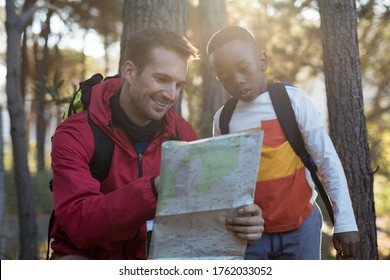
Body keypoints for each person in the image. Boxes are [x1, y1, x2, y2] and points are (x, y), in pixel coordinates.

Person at [49, 27, 264, 260]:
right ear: (130, 72)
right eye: (162, 79)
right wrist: (155, 189)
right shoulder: (75, 134)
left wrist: (243, 227)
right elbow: (79, 225)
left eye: (178, 85)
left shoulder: (183, 134)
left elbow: (204, 220)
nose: (171, 95)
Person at [207, 26, 359, 260]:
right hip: (251, 238)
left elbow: (326, 158)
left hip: (301, 228)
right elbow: (227, 182)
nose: (237, 80)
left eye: (244, 68)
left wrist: (345, 222)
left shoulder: (291, 100)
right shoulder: (223, 120)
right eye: (226, 78)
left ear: (262, 60)